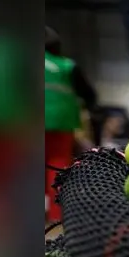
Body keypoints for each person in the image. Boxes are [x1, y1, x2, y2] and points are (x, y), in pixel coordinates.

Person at [44, 27, 97, 224]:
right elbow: (90, 95)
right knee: (57, 167)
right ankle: (59, 218)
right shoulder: (66, 65)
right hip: (61, 121)